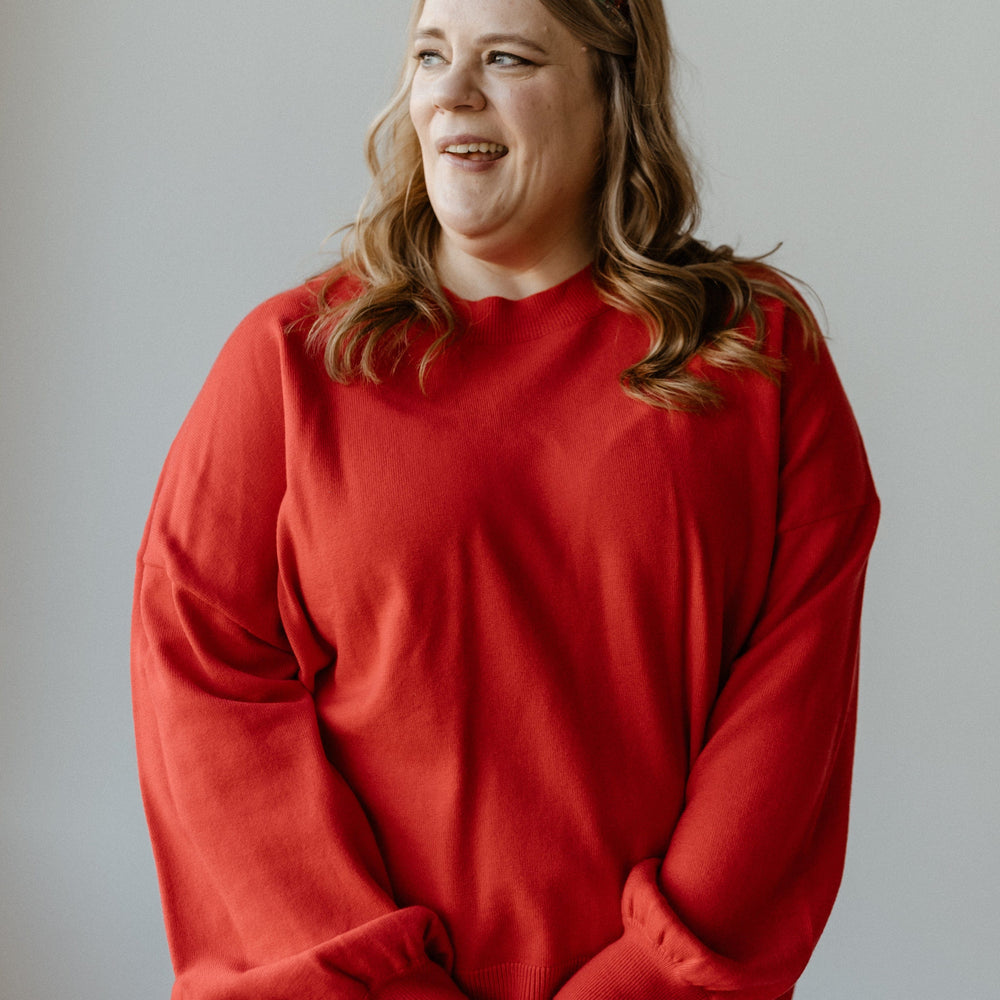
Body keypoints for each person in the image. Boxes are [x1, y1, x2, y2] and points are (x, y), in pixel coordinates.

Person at [130, 0, 879, 997]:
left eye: (506, 57)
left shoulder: (756, 358)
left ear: (611, 91)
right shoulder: (291, 361)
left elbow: (789, 723)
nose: (451, 91)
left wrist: (644, 982)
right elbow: (204, 705)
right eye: (431, 54)